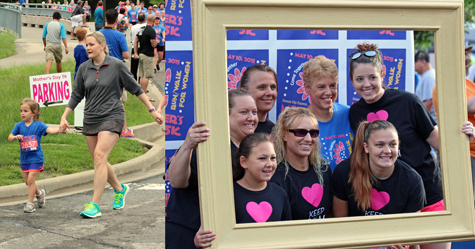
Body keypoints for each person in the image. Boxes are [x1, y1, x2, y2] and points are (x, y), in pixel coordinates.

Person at [348, 42, 475, 249]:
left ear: (382, 73)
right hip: (393, 204)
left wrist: (463, 140)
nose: (366, 84)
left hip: (430, 196)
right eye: (359, 79)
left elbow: (439, 142)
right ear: (351, 80)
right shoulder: (355, 113)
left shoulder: (408, 101)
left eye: (372, 77)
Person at [60, 32, 163, 218]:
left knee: (100, 156)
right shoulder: (84, 68)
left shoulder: (116, 65)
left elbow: (136, 88)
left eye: (91, 44)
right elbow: (77, 94)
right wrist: (64, 116)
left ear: (102, 45)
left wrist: (152, 110)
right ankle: (119, 188)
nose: (88, 48)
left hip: (112, 116)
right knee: (99, 161)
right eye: (87, 45)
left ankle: (95, 205)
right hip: (90, 118)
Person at [166, 89, 258, 249]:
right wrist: (188, 145)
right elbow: (176, 181)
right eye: (244, 112)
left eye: (254, 112)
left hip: (226, 237)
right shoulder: (205, 143)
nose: (251, 118)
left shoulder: (252, 149)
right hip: (188, 235)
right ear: (225, 114)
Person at [194, 133, 292, 248]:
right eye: (262, 158)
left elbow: (287, 234)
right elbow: (213, 235)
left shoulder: (280, 193)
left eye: (273, 158)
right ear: (244, 162)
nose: (269, 164)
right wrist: (199, 240)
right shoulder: (227, 195)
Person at [332, 120, 425, 216]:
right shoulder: (344, 172)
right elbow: (339, 223)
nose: (387, 151)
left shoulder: (413, 181)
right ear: (366, 147)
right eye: (379, 145)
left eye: (393, 144)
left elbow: (410, 227)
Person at [270, 107, 332, 220]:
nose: (308, 139)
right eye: (300, 132)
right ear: (284, 135)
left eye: (313, 133)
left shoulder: (323, 169)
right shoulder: (276, 177)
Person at [433, 46, 475, 203]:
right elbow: (469, 106)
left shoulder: (469, 84)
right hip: (463, 152)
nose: (467, 57)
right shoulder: (446, 85)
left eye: (467, 53)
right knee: (465, 202)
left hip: (471, 152)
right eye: (462, 54)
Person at [8, 98, 65, 213]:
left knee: (30, 180)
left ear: (34, 113)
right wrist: (15, 137)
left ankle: (30, 204)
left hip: (36, 158)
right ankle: (39, 193)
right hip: (25, 160)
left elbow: (50, 130)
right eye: (21, 111)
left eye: (25, 111)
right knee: (28, 182)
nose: (22, 113)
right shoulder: (19, 126)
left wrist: (59, 129)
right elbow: (9, 138)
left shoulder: (39, 125)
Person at [302, 55, 353, 170]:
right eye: (321, 87)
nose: (328, 92)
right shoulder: (299, 123)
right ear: (307, 88)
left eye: (332, 85)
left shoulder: (350, 113)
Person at [99, 8, 134, 138]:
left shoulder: (99, 34)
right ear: (116, 21)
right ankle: (124, 129)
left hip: (101, 68)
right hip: (116, 70)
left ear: (106, 19)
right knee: (119, 101)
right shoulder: (119, 35)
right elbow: (125, 55)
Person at [238, 64, 278, 134]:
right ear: (244, 91)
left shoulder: (277, 133)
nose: (270, 93)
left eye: (273, 87)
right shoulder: (230, 129)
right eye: (262, 87)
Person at [134, 14, 156, 99]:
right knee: (146, 76)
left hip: (141, 54)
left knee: (142, 75)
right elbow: (153, 44)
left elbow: (135, 41)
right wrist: (156, 43)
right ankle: (144, 95)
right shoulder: (151, 31)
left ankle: (141, 94)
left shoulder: (141, 29)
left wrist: (136, 52)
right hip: (148, 55)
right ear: (153, 21)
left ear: (147, 19)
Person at [414, 50, 437, 123]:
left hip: (430, 122)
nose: (414, 65)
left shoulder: (428, 77)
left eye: (415, 62)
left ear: (423, 62)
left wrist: (421, 122)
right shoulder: (428, 75)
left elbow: (429, 101)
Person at [130, 13, 146, 81]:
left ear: (137, 19)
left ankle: (133, 83)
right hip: (143, 48)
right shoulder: (146, 26)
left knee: (134, 67)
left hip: (134, 47)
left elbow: (132, 35)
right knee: (142, 68)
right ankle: (141, 82)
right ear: (145, 19)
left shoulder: (133, 27)